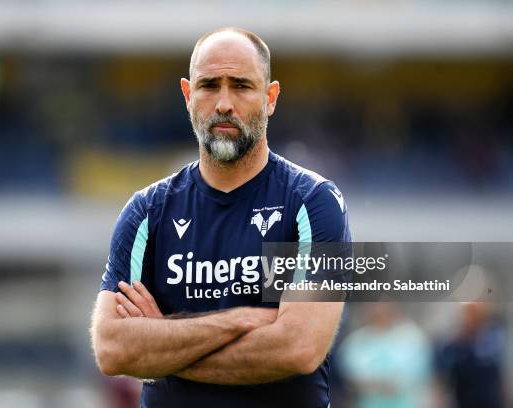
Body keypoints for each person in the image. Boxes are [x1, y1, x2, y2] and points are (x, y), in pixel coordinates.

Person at [90, 27, 351, 408]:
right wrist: (242, 320)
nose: (224, 103)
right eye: (209, 85)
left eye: (241, 86)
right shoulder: (148, 211)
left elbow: (298, 348)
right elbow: (113, 350)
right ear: (187, 95)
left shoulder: (312, 202)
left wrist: (162, 340)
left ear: (270, 97)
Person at [338, 304, 432, 408]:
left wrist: (395, 383)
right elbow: (349, 371)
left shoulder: (411, 336)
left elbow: (419, 369)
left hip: (405, 402)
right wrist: (375, 384)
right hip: (370, 402)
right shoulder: (358, 340)